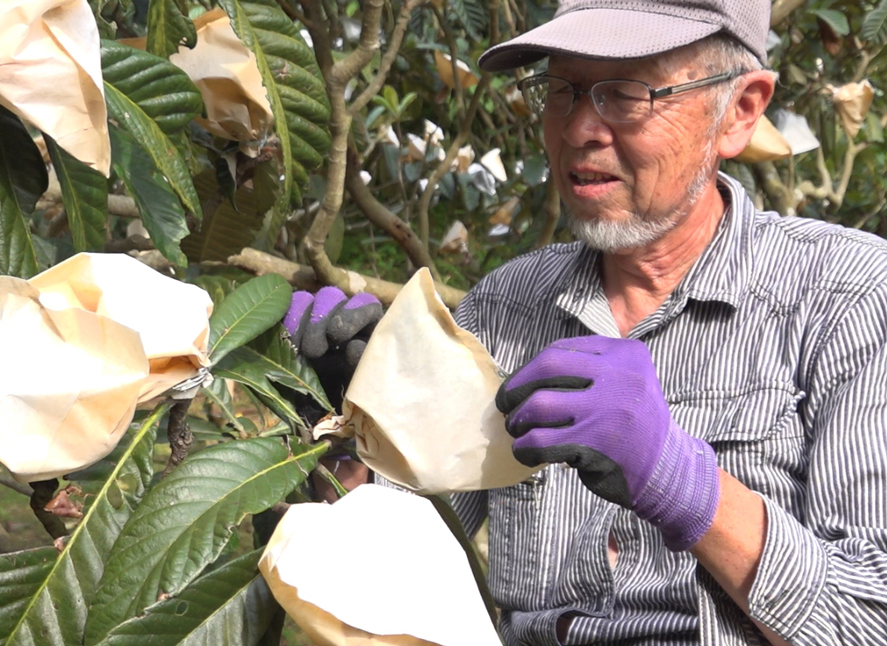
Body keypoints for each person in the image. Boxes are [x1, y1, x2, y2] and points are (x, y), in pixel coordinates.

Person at [285, 1, 887, 644]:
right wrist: (355, 434)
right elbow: (390, 579)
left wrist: (682, 482)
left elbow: (869, 619)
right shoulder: (503, 307)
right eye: (562, 90)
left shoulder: (848, 297)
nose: (579, 129)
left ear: (739, 112)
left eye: (626, 93)